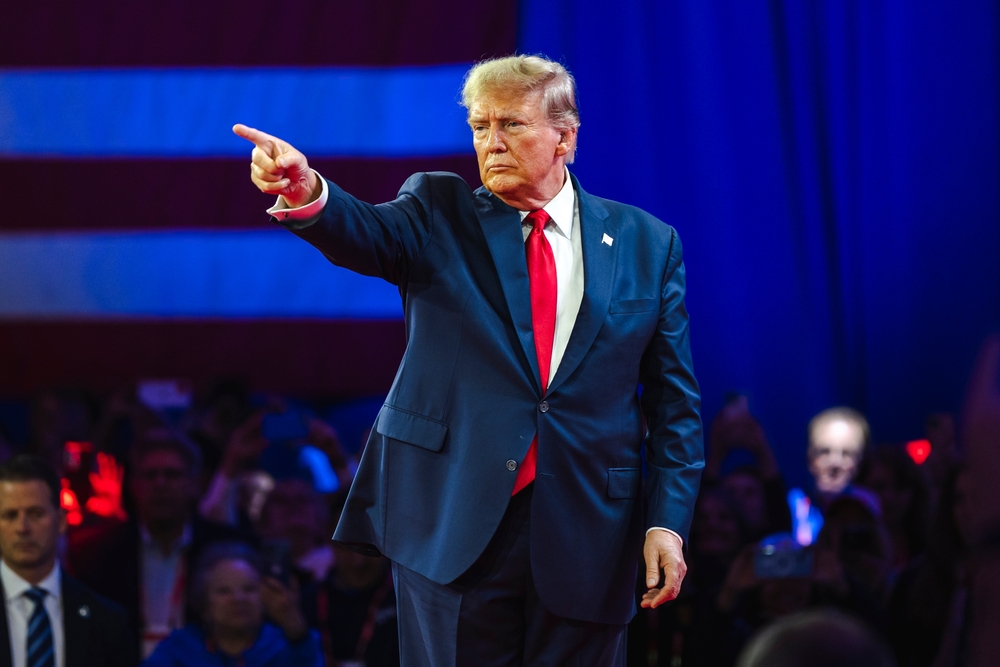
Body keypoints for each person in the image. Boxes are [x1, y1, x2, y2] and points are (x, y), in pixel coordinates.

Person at [233, 53, 703, 666]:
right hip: (454, 524)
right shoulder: (437, 211)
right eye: (481, 127)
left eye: (511, 125)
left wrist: (666, 523)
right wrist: (308, 193)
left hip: (589, 530)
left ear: (565, 136)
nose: (491, 143)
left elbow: (675, 406)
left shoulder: (647, 242)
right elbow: (365, 233)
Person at [68, 429, 247, 659]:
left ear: (194, 484)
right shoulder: (94, 553)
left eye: (172, 475)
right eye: (150, 475)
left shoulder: (225, 548)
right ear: (133, 486)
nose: (161, 484)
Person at [0, 454, 134, 667]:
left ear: (61, 521)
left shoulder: (106, 621)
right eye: (9, 515)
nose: (22, 528)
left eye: (35, 514)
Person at [141, 542, 322, 667]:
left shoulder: (289, 646)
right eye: (224, 591)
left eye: (249, 589)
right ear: (204, 605)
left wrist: (297, 633)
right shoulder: (179, 650)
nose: (238, 598)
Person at [806, 407, 870, 509]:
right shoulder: (789, 507)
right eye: (824, 452)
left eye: (847, 453)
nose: (835, 462)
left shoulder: (869, 507)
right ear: (809, 458)